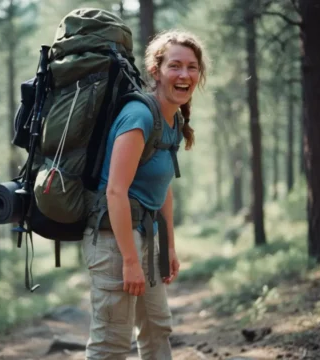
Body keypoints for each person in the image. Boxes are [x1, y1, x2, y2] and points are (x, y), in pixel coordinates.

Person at [81, 29, 208, 360]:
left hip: (147, 237)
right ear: (156, 71)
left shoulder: (174, 120)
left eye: (192, 67)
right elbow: (115, 191)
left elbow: (162, 188)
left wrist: (169, 247)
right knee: (111, 343)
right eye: (175, 66)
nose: (185, 75)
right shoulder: (139, 116)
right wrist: (130, 261)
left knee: (156, 330)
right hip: (114, 243)